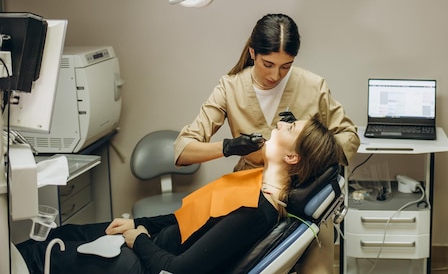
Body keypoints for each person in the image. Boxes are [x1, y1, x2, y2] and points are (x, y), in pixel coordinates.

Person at [16, 115, 343, 274]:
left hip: (142, 263)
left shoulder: (257, 211)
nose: (283, 124)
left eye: (291, 128)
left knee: (34, 257)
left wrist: (137, 238)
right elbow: (183, 221)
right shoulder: (256, 182)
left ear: (292, 158)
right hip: (147, 243)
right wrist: (134, 224)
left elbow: (179, 271)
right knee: (61, 234)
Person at [174, 13, 359, 274]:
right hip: (249, 200)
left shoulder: (313, 86)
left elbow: (349, 136)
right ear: (252, 53)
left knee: (319, 269)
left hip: (301, 200)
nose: (275, 75)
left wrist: (311, 145)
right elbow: (182, 150)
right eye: (268, 64)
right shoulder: (230, 88)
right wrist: (229, 147)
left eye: (286, 66)